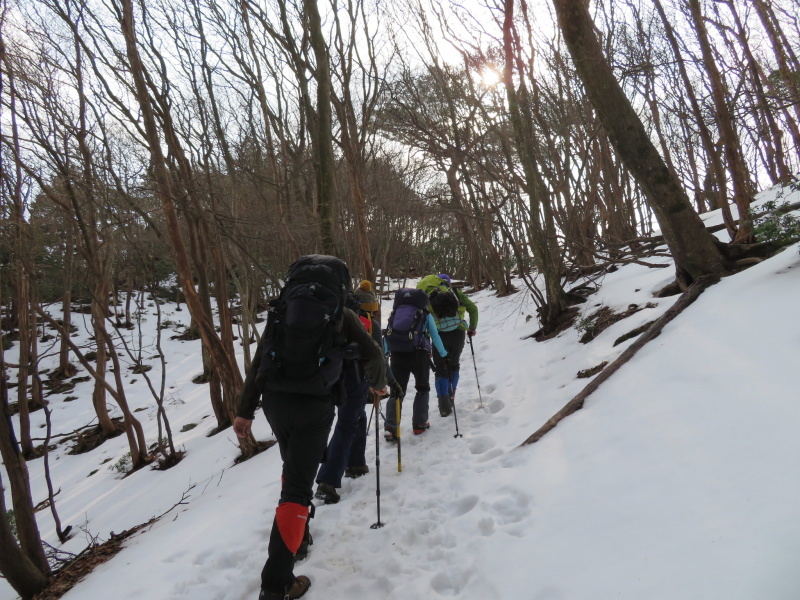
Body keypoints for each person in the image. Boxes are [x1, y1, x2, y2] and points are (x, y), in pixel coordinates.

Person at [234, 256, 387, 600]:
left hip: (275, 402)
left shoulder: (280, 312)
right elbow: (373, 355)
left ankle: (299, 539)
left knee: (294, 471)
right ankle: (278, 584)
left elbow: (261, 360)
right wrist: (378, 385)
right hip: (314, 405)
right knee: (298, 491)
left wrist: (244, 411)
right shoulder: (341, 314)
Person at [383, 288, 447, 440]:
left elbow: (388, 335)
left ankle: (391, 428)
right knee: (422, 388)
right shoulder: (425, 315)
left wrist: (385, 353)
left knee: (397, 391)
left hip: (397, 356)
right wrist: (444, 355)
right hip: (419, 356)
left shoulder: (395, 314)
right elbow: (435, 336)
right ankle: (419, 423)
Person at [416, 273, 478, 418]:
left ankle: (444, 405)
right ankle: (451, 394)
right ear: (448, 283)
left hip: (438, 336)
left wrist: (425, 340)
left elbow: (422, 320)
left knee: (440, 369)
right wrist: (472, 327)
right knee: (454, 364)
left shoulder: (427, 298)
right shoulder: (455, 293)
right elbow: (473, 309)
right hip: (458, 333)